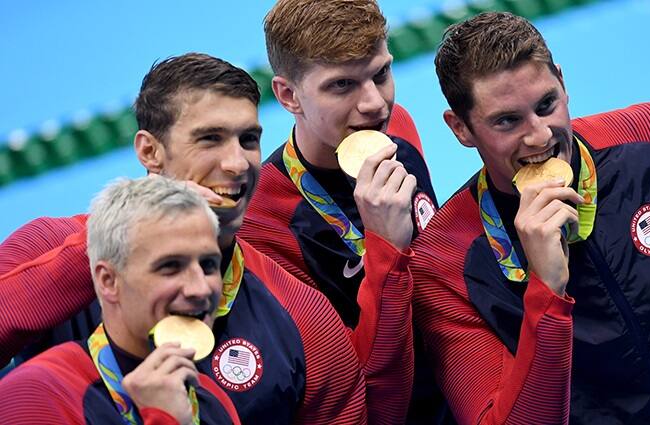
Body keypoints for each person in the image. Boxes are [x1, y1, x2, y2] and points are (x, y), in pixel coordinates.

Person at [410, 11, 650, 424]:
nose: (540, 135)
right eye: (507, 121)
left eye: (546, 105)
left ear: (562, 82)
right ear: (460, 128)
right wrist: (547, 291)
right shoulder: (445, 263)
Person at [0, 53, 367, 424]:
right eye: (210, 139)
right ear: (150, 152)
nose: (237, 163)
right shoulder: (48, 247)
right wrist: (120, 241)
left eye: (248, 140)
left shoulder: (305, 318)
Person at [238, 1, 445, 423]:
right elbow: (357, 396)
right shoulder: (262, 222)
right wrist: (384, 250)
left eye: (381, 74)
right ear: (289, 96)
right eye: (342, 85)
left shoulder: (397, 129)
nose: (375, 104)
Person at [0, 176, 242, 424]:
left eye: (208, 265)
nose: (199, 289)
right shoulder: (34, 396)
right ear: (108, 281)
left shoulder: (212, 399)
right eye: (170, 267)